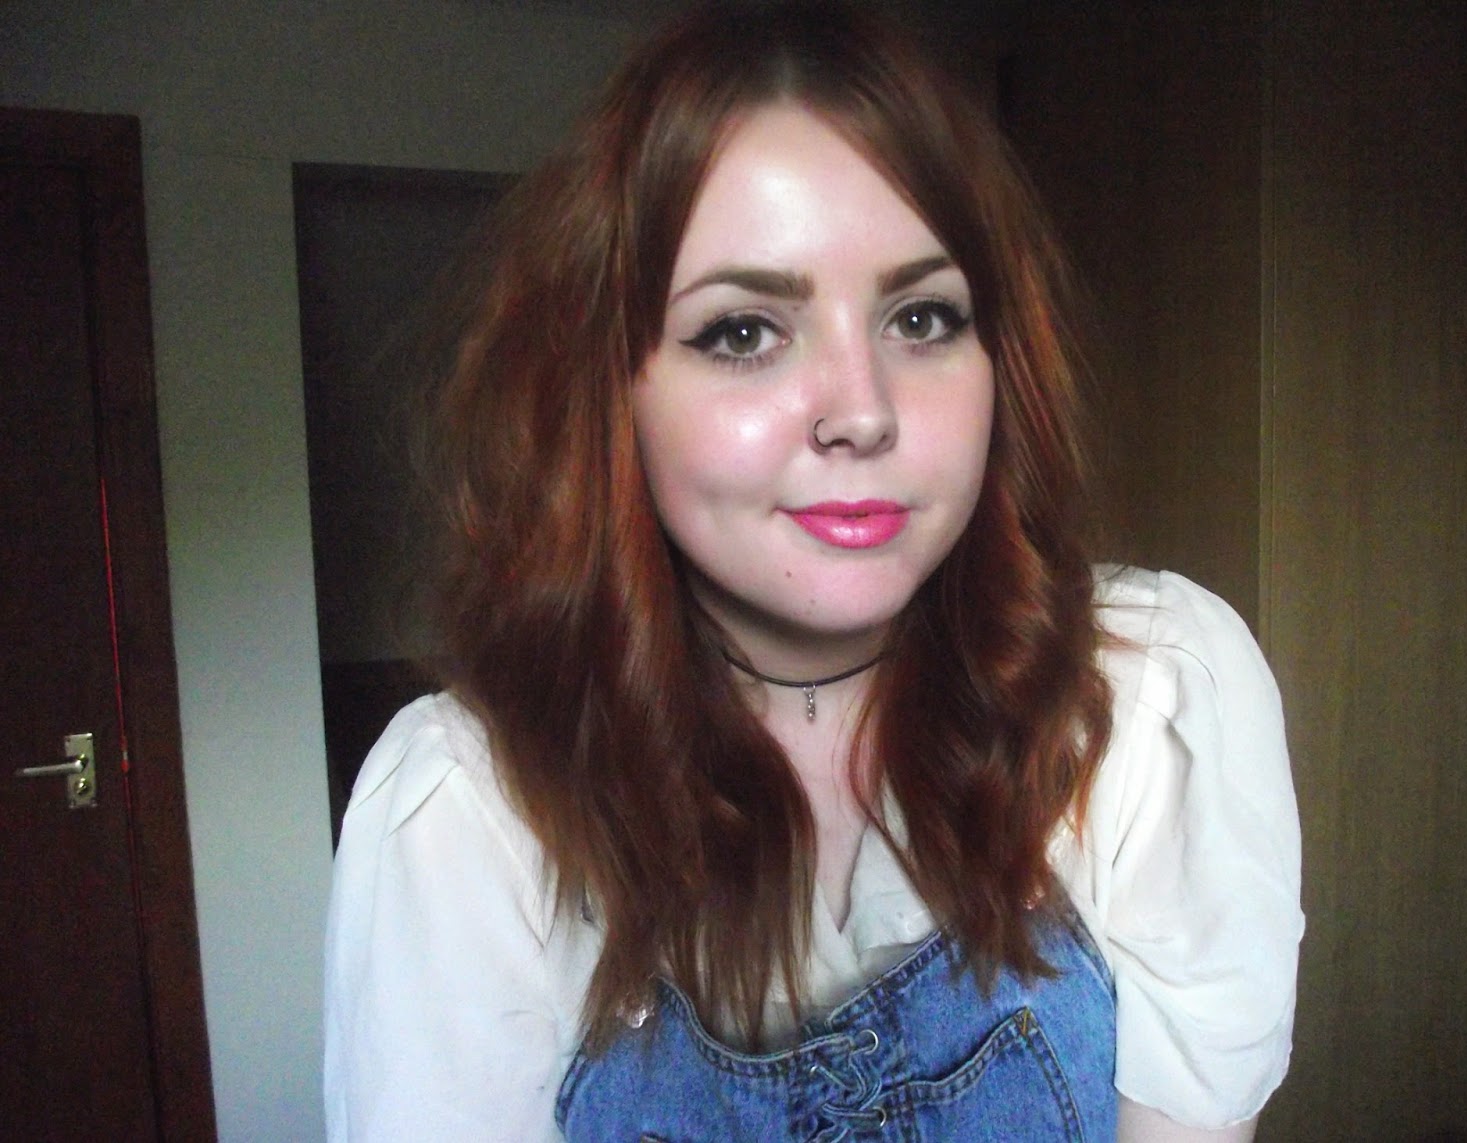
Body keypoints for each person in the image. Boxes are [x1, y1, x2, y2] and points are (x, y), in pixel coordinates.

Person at [323, 3, 1303, 1140]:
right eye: (744, 331)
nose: (863, 411)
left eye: (922, 318)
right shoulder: (469, 818)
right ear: (611, 393)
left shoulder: (1147, 704)